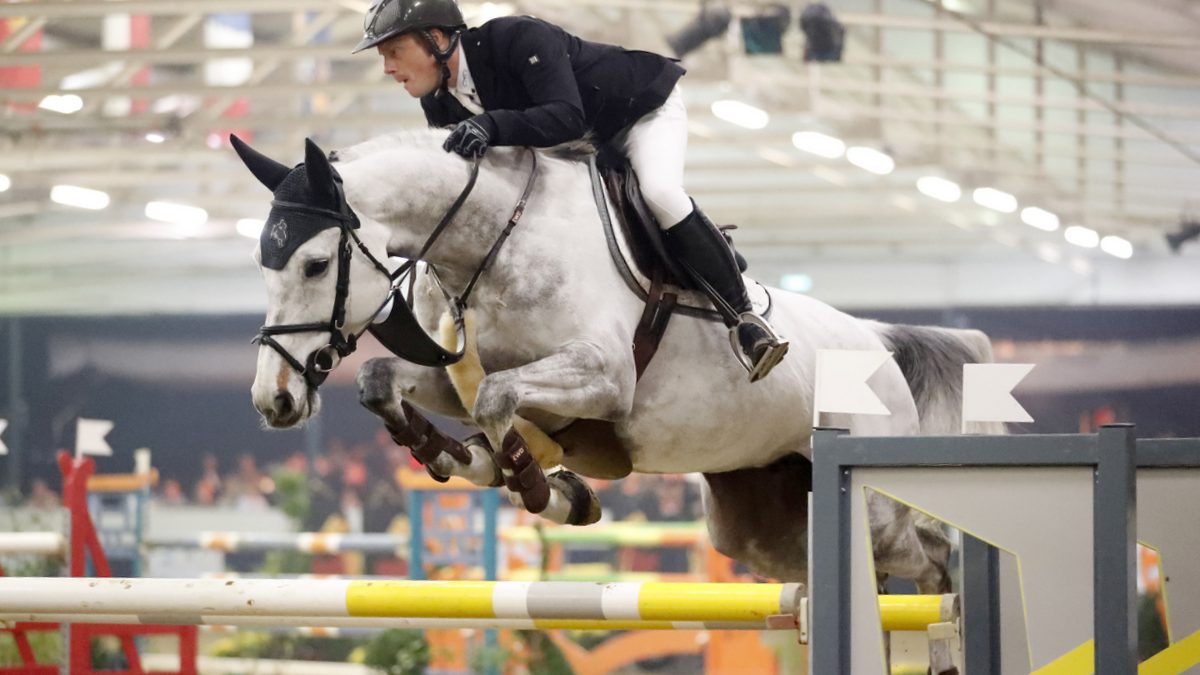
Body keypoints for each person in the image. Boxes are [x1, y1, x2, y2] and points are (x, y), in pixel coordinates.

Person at [354, 0, 788, 380]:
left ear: (436, 38)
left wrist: (490, 124)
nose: (388, 68)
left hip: (636, 114)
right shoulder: (437, 101)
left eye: (394, 51)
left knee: (659, 192)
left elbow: (565, 116)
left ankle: (744, 317)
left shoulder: (517, 38)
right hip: (577, 150)